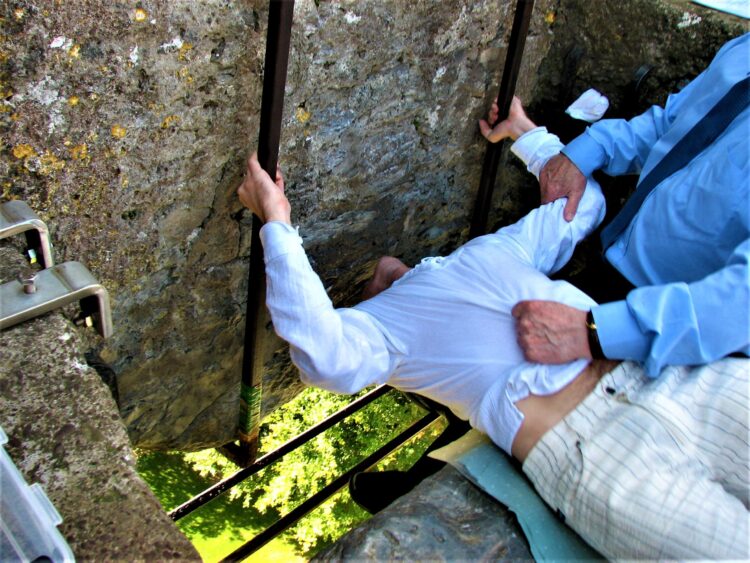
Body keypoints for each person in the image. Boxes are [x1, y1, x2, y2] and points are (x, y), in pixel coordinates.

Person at [237, 99, 749, 559]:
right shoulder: (386, 333)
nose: (380, 276)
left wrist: (529, 137)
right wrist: (276, 221)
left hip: (674, 377)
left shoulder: (492, 249)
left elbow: (580, 205)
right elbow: (325, 355)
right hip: (599, 453)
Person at [509, 33, 749, 376]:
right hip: (616, 268)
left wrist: (596, 332)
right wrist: (584, 153)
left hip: (679, 343)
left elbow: (742, 304)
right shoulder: (745, 48)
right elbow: (673, 125)